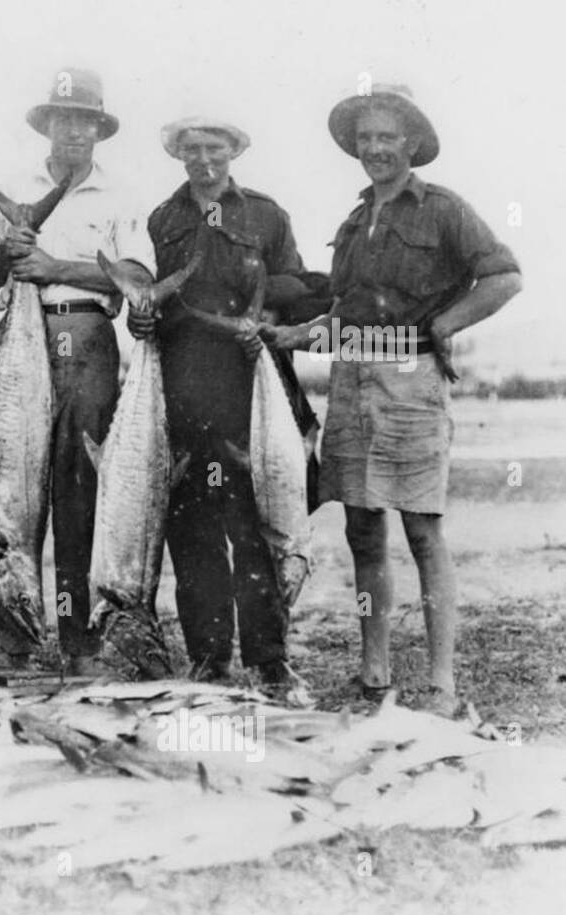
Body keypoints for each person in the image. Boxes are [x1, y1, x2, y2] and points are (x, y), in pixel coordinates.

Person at [260, 85, 521, 716]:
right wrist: (294, 334)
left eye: (387, 137)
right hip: (353, 379)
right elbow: (342, 317)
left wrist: (448, 324)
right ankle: (373, 673)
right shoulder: (352, 223)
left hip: (412, 380)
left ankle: (441, 685)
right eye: (366, 138)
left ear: (411, 144)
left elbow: (506, 276)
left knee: (424, 531)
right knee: (362, 529)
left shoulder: (444, 209)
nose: (375, 148)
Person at [0, 67, 154, 675]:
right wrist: (12, 248)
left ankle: (79, 645)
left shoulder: (122, 194)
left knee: (79, 493)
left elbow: (134, 279)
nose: (74, 129)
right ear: (47, 124)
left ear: (99, 129)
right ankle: (17, 641)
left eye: (86, 120)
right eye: (64, 118)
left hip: (87, 335)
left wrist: (52, 265)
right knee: (12, 493)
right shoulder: (13, 186)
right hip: (21, 342)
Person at [145, 116, 311, 699]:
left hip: (250, 389)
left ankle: (269, 661)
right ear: (178, 155)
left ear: (236, 149)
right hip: (183, 386)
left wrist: (265, 319)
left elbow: (294, 285)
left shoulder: (266, 215)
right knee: (191, 530)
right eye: (191, 149)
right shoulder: (162, 218)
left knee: (256, 528)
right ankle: (209, 660)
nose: (203, 158)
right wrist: (142, 314)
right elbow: (154, 300)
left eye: (214, 147)